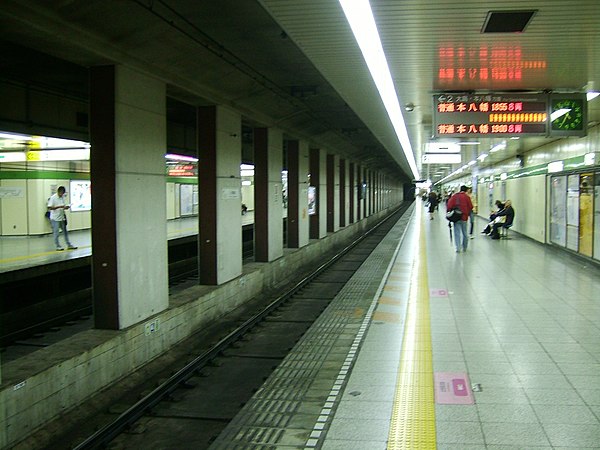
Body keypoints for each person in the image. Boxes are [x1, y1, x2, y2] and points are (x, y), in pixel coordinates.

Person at [47, 186, 77, 251]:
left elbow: (63, 206)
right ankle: (58, 246)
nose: (62, 195)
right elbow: (49, 207)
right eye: (61, 193)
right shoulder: (53, 198)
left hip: (62, 218)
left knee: (65, 232)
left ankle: (69, 245)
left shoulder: (62, 197)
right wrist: (59, 207)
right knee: (56, 233)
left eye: (63, 193)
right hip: (55, 218)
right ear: (58, 191)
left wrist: (65, 207)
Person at [446, 185, 473, 253]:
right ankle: (465, 247)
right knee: (465, 233)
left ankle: (458, 248)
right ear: (466, 190)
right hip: (464, 217)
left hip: (456, 217)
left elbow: (449, 205)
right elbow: (471, 206)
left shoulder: (455, 196)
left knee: (457, 232)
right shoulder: (467, 197)